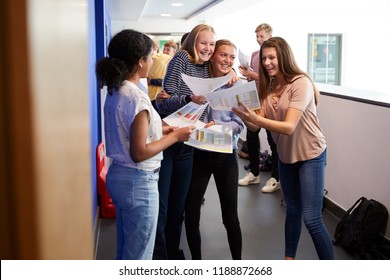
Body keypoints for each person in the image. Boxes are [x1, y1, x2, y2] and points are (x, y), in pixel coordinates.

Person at [95, 29, 194, 260]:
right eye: (151, 57)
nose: (152, 61)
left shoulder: (116, 89)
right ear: (140, 61)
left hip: (119, 177)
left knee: (126, 251)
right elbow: (139, 152)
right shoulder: (137, 97)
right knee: (139, 258)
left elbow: (131, 132)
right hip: (138, 182)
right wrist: (175, 138)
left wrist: (166, 129)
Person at [232, 37, 334, 260]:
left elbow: (288, 127)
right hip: (286, 157)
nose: (267, 63)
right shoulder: (267, 86)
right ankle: (289, 261)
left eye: (271, 58)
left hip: (311, 155)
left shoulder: (301, 83)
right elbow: (256, 122)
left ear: (283, 58)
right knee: (292, 211)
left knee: (312, 219)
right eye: (264, 58)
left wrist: (256, 120)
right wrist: (241, 115)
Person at [153, 24, 237, 260]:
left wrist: (232, 76)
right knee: (164, 206)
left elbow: (225, 71)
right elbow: (163, 103)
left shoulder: (207, 68)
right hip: (169, 139)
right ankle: (160, 259)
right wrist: (189, 97)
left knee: (178, 208)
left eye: (212, 44)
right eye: (204, 43)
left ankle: (173, 253)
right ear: (193, 42)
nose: (208, 48)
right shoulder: (181, 58)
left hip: (189, 142)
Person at [185, 39, 244, 260]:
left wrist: (217, 127)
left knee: (230, 218)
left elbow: (240, 124)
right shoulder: (198, 81)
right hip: (198, 154)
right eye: (223, 55)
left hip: (225, 156)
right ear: (212, 56)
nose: (227, 60)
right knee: (191, 214)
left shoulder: (238, 86)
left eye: (232, 57)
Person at [237, 23, 280, 193]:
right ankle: (254, 174)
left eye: (261, 36)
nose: (258, 39)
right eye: (257, 36)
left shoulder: (276, 54)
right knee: (252, 138)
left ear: (269, 36)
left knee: (273, 140)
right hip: (255, 100)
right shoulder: (255, 54)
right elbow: (256, 78)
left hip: (269, 100)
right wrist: (248, 75)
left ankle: (275, 178)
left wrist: (252, 75)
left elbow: (272, 78)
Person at [147, 41, 172, 110]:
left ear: (174, 52)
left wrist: (151, 81)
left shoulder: (167, 59)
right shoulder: (158, 59)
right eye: (164, 49)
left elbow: (168, 81)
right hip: (154, 97)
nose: (165, 51)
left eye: (168, 50)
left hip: (161, 98)